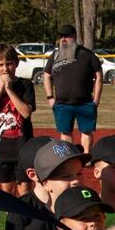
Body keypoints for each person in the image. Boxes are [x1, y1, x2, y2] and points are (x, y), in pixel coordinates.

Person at [0, 43, 36, 196]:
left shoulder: (25, 85)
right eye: (1, 65)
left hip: (22, 145)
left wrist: (9, 90)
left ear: (16, 63)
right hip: (2, 147)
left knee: (24, 189)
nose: (5, 68)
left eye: (9, 64)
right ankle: (11, 219)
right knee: (7, 190)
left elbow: (26, 113)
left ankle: (25, 218)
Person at [44, 25, 103, 155]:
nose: (63, 39)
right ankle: (68, 157)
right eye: (61, 36)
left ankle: (86, 156)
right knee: (65, 132)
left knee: (86, 131)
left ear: (75, 36)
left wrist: (96, 99)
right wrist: (50, 97)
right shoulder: (55, 55)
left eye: (67, 35)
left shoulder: (87, 55)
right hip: (62, 103)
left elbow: (98, 76)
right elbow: (47, 76)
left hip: (85, 102)